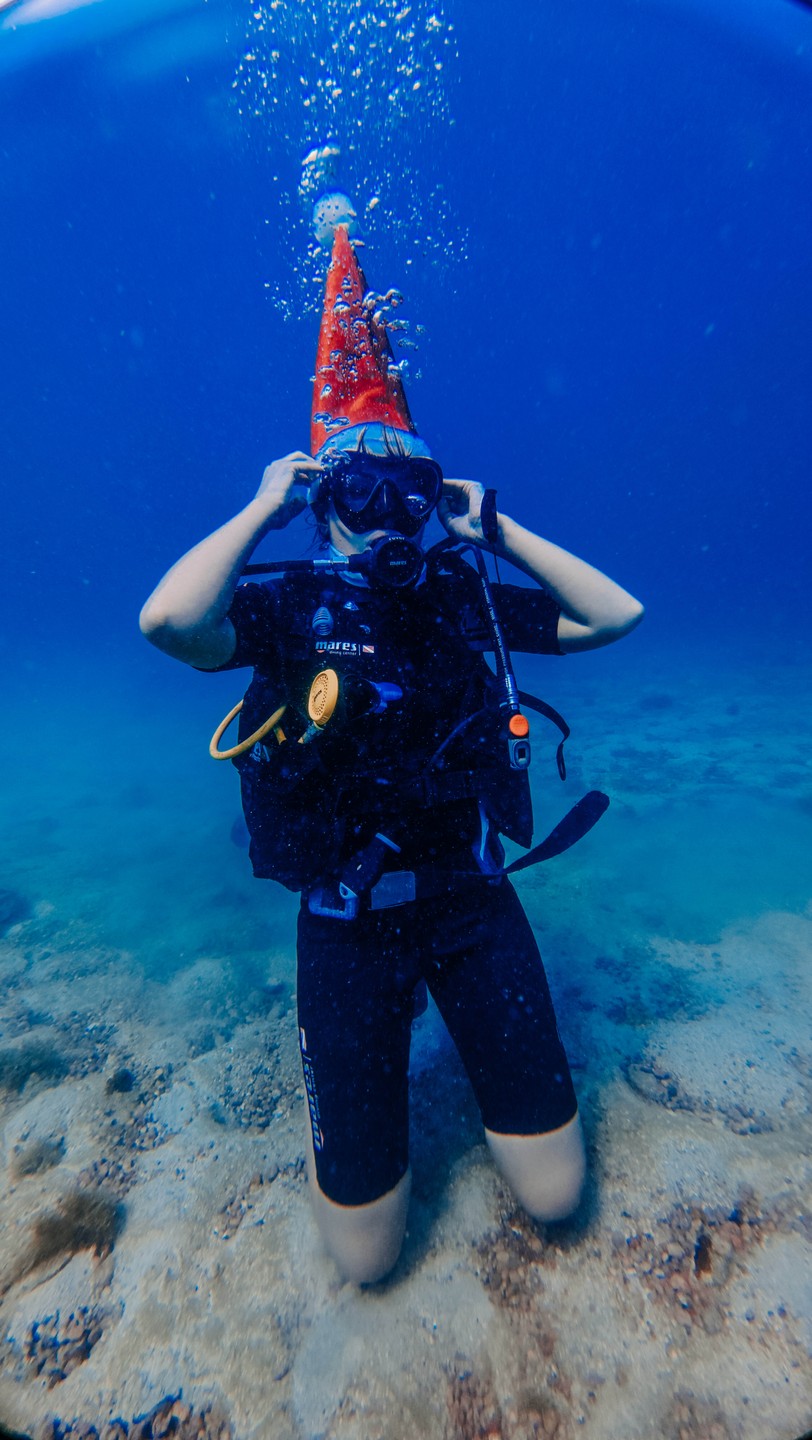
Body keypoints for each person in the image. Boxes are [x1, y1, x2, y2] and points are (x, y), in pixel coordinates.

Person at [140, 224, 644, 1285]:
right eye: (357, 498)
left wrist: (492, 529)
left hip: (471, 901)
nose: (387, 518)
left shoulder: (466, 597)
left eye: (410, 495)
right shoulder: (288, 605)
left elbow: (615, 617)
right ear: (327, 509)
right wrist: (262, 505)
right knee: (366, 1262)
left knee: (555, 1199)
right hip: (345, 925)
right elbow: (169, 622)